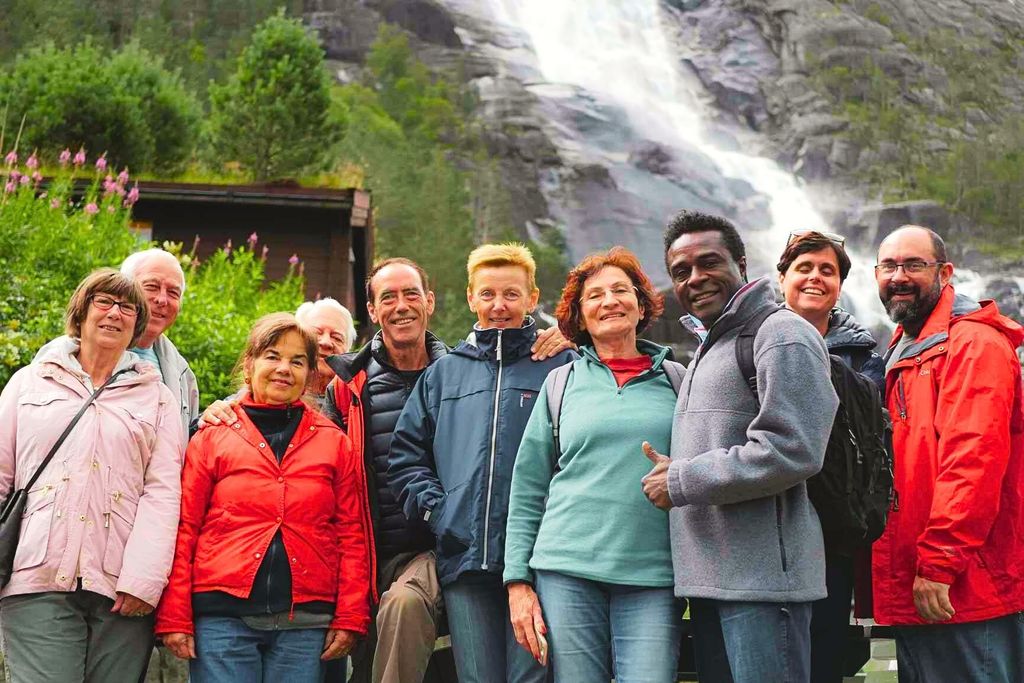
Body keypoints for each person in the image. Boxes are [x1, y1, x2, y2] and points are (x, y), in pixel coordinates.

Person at [321, 256, 572, 683]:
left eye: (511, 294)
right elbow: (401, 458)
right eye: (488, 294)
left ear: (431, 302)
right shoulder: (365, 384)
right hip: (427, 551)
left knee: (530, 674)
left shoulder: (556, 366)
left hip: (516, 553)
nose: (498, 305)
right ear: (471, 298)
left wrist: (573, 338)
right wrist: (443, 513)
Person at [641, 210, 838, 683]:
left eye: (709, 262)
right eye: (681, 272)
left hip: (765, 587)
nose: (695, 279)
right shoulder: (713, 343)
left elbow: (792, 449)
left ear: (742, 263)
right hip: (712, 583)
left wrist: (682, 479)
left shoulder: (782, 334)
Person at [155, 312, 371, 682]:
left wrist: (351, 614)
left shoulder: (333, 441)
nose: (283, 369)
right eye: (273, 356)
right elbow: (185, 527)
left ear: (310, 373)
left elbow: (352, 534)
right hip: (221, 619)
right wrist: (175, 613)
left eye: (297, 361)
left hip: (304, 622)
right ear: (251, 362)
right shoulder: (213, 435)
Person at [504, 247, 682, 683]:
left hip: (654, 574)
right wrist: (517, 582)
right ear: (580, 317)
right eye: (595, 296)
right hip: (566, 571)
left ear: (642, 306)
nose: (610, 301)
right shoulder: (559, 384)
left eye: (621, 290)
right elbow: (528, 487)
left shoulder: (680, 380)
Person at [0, 268, 185, 683]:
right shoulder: (29, 383)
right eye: (103, 302)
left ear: (137, 324)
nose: (114, 313)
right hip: (34, 575)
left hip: (121, 584)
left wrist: (144, 580)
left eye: (126, 307)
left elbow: (163, 493)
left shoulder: (157, 398)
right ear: (80, 313)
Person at [871, 225, 1024, 682]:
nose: (899, 276)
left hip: (963, 586)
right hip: (929, 586)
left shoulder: (972, 344)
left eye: (914, 265)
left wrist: (939, 563)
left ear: (945, 272)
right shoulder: (908, 345)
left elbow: (971, 461)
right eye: (889, 266)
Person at [776, 230, 884, 683]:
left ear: (841, 284)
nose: (815, 277)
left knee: (823, 655)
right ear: (781, 277)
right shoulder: (748, 339)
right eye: (804, 268)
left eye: (828, 270)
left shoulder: (865, 358)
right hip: (765, 527)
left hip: (832, 532)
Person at [295, 297, 358, 395]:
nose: (326, 342)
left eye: (337, 338)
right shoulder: (272, 397)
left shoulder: (359, 402)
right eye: (316, 333)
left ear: (347, 352)